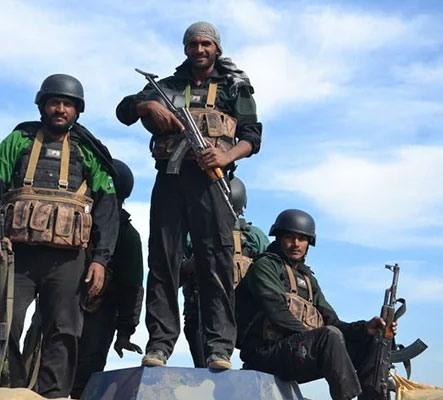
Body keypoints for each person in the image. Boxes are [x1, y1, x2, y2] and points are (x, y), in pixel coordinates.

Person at [116, 21, 263, 370]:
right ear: (186, 48)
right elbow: (124, 110)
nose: (199, 50)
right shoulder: (167, 86)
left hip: (212, 184)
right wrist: (145, 108)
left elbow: (252, 137)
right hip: (170, 180)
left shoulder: (234, 87)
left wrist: (226, 156)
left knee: (216, 262)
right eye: (193, 44)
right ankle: (160, 345)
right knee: (163, 261)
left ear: (216, 48)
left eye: (205, 44)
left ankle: (219, 348)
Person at [0, 73, 118, 398]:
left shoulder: (89, 151)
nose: (60, 109)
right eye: (55, 102)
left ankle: (53, 395)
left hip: (68, 260)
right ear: (43, 105)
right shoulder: (17, 141)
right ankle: (3, 391)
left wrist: (100, 260)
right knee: (4, 324)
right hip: (16, 255)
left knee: (64, 330)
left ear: (77, 110)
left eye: (68, 104)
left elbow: (107, 209)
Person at [235, 209, 397, 400]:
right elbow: (276, 311)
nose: (296, 244)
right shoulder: (265, 266)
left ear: (308, 243)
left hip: (296, 352)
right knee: (329, 336)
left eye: (302, 239)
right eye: (290, 237)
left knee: (371, 340)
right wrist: (313, 337)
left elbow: (333, 323)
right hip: (265, 355)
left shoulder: (307, 279)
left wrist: (365, 328)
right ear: (278, 238)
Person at [70, 159, 145, 398]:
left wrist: (125, 331)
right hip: (64, 304)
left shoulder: (126, 235)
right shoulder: (74, 220)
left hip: (101, 312)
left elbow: (132, 286)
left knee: (86, 375)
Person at [180, 176, 269, 367]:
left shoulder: (254, 236)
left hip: (244, 314)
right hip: (202, 312)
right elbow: (174, 275)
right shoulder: (190, 234)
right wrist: (195, 263)